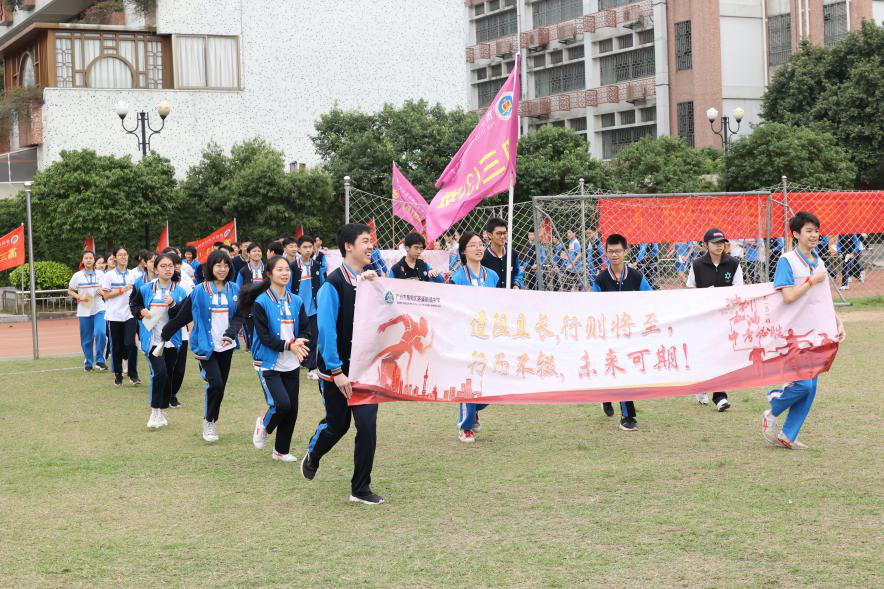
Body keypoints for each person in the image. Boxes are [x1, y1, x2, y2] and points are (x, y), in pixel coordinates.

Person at [301, 223, 385, 505]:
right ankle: (314, 453)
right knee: (338, 426)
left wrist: (376, 285)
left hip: (364, 370)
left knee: (367, 427)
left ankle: (360, 488)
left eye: (371, 241)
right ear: (349, 246)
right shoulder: (331, 285)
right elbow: (326, 332)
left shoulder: (371, 280)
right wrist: (336, 371)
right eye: (364, 241)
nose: (370, 245)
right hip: (336, 372)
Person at [762, 211, 846, 449]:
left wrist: (837, 322)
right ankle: (774, 405)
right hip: (793, 334)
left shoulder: (818, 261)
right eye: (808, 231)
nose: (814, 235)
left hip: (816, 333)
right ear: (796, 234)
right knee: (804, 384)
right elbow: (788, 297)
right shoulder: (787, 261)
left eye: (816, 230)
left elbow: (822, 300)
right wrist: (811, 281)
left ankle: (788, 435)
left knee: (812, 386)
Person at [234, 256, 311, 460]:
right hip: (268, 361)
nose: (285, 273)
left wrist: (301, 341)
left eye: (287, 269)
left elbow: (305, 328)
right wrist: (289, 345)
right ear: (269, 274)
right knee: (282, 404)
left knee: (292, 409)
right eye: (279, 270)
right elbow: (265, 336)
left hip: (291, 361)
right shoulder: (261, 302)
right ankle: (264, 425)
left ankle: (281, 451)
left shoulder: (296, 300)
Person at [162, 250, 240, 442]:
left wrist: (231, 334)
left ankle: (212, 418)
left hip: (227, 346)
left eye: (226, 265)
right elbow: (184, 315)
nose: (222, 269)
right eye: (218, 265)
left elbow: (240, 316)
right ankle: (209, 422)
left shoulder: (235, 289)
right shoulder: (199, 290)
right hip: (205, 346)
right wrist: (167, 332)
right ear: (210, 267)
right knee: (216, 383)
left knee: (220, 388)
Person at [592, 234, 652, 431]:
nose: (614, 255)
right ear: (606, 253)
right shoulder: (600, 279)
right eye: (610, 251)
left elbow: (652, 300)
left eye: (618, 251)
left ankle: (607, 396)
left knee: (623, 371)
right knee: (618, 369)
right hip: (608, 333)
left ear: (626, 251)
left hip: (631, 332)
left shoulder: (636, 277)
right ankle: (627, 417)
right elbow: (592, 307)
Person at [685, 228, 744, 411]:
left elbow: (739, 289)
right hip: (704, 318)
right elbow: (690, 289)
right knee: (705, 353)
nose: (719, 246)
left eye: (722, 242)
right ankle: (702, 385)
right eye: (715, 243)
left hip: (725, 318)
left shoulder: (734, 264)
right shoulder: (697, 265)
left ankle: (719, 396)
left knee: (721, 354)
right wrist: (705, 298)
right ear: (706, 245)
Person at [450, 231, 499, 443]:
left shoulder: (494, 276)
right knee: (468, 383)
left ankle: (476, 409)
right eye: (473, 245)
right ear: (463, 251)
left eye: (481, 244)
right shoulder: (456, 278)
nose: (479, 248)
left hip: (488, 339)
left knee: (491, 386)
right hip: (465, 338)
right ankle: (466, 426)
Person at [130, 253, 188, 429]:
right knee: (159, 373)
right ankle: (154, 411)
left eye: (170, 266)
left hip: (172, 340)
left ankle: (161, 410)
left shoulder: (180, 291)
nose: (167, 269)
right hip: (152, 340)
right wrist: (141, 312)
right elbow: (134, 305)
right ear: (155, 269)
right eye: (163, 266)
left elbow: (182, 317)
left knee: (168, 375)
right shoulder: (145, 288)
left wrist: (172, 305)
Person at [101, 247, 140, 386]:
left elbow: (138, 293)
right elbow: (105, 295)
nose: (123, 257)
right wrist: (121, 290)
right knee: (117, 347)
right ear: (115, 258)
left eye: (125, 254)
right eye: (120, 255)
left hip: (129, 315)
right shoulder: (109, 275)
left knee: (131, 343)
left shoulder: (133, 275)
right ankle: (118, 374)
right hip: (114, 315)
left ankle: (133, 374)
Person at [67, 250, 108, 372]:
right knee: (86, 338)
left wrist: (102, 292)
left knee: (100, 333)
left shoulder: (101, 274)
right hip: (84, 309)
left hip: (99, 308)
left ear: (94, 260)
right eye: (86, 258)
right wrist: (79, 297)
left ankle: (100, 360)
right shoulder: (77, 275)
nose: (89, 260)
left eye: (91, 258)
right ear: (83, 261)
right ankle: (88, 361)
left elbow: (106, 289)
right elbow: (70, 290)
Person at [292, 235, 325, 380]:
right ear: (299, 249)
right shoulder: (292, 267)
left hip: (314, 309)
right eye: (304, 247)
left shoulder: (317, 266)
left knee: (313, 338)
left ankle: (311, 368)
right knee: (298, 338)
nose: (307, 250)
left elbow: (323, 286)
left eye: (310, 247)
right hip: (297, 310)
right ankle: (297, 363)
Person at [165, 250, 195, 408]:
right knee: (166, 366)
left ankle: (173, 394)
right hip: (161, 333)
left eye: (175, 265)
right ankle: (165, 393)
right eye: (167, 265)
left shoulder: (184, 283)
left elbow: (192, 304)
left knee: (179, 367)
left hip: (181, 332)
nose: (171, 269)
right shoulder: (154, 285)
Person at [481, 217, 522, 289]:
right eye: (499, 233)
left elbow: (518, 273)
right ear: (490, 235)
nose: (503, 236)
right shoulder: (483, 257)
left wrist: (516, 284)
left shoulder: (513, 253)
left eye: (504, 233)